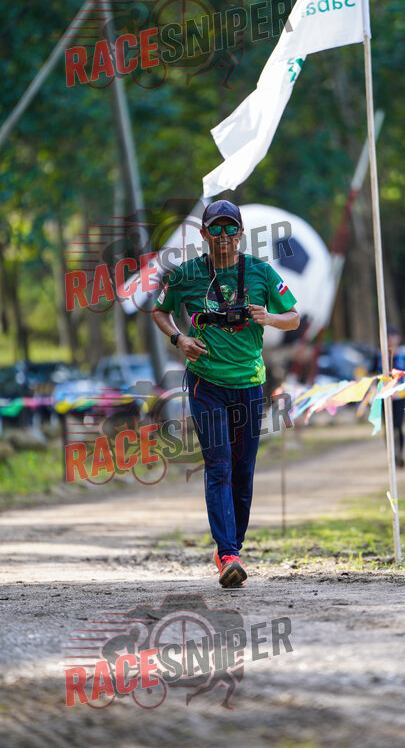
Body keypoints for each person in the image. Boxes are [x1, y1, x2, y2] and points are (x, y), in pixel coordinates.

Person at [152, 200, 299, 588]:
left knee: (243, 472)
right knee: (218, 466)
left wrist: (269, 317)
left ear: (240, 233)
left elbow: (294, 317)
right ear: (204, 234)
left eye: (230, 228)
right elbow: (160, 310)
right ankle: (229, 554)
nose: (223, 236)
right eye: (215, 229)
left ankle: (230, 548)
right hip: (206, 384)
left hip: (249, 385)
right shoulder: (187, 274)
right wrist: (179, 339)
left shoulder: (261, 272)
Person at [371, 326, 405, 467]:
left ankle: (400, 453)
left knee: (399, 426)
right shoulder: (378, 357)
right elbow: (372, 375)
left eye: (393, 336)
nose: (390, 340)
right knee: (387, 427)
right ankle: (392, 456)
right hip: (383, 397)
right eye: (388, 337)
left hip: (400, 397)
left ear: (398, 338)